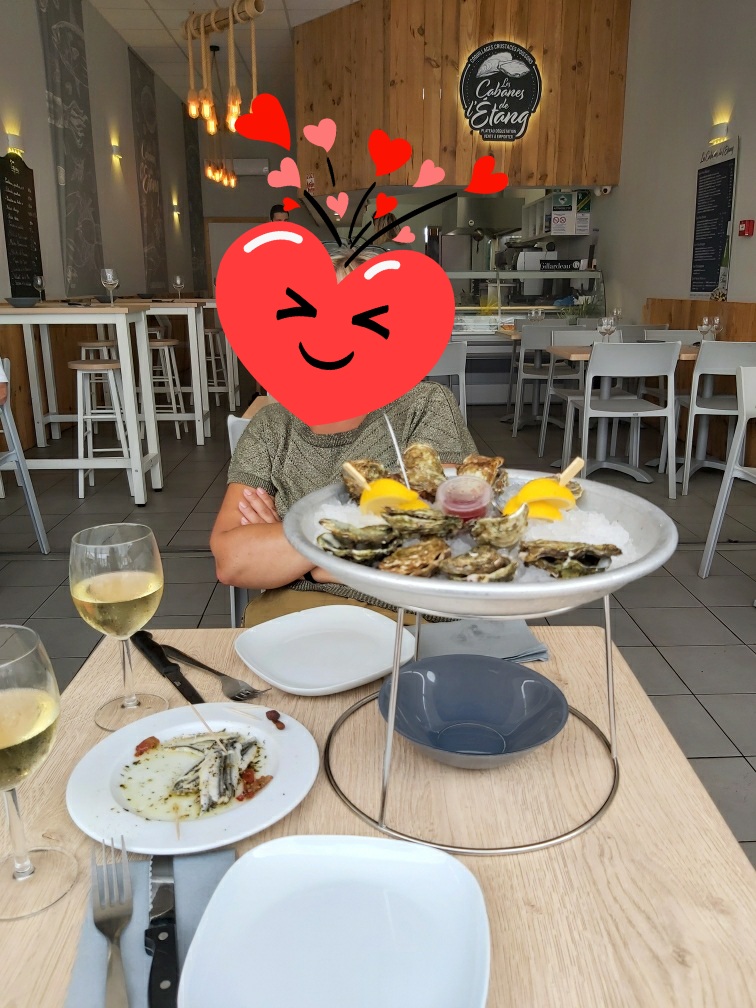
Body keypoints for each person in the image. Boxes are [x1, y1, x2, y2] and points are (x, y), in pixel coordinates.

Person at [211, 252, 475, 627]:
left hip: (408, 619)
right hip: (292, 617)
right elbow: (232, 561)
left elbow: (438, 543)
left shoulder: (424, 405)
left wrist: (297, 540)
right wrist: (365, 534)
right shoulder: (272, 426)